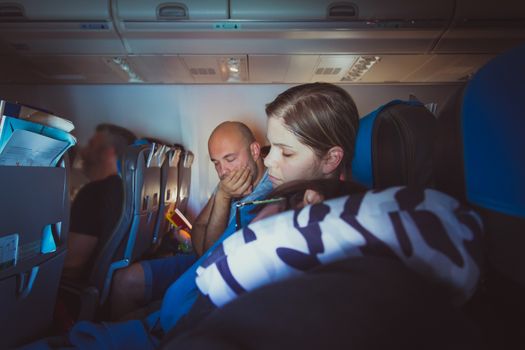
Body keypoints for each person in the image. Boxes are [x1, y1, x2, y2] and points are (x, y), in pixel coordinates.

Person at [21, 83, 361, 349]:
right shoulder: (278, 192)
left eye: (285, 151)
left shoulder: (301, 211)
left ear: (331, 159)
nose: (272, 160)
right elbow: (204, 248)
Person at [110, 121, 273, 319]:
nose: (223, 172)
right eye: (216, 163)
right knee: (123, 279)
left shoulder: (268, 193)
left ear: (255, 151)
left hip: (215, 272)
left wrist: (222, 197)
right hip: (198, 260)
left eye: (230, 159)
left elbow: (210, 254)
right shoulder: (230, 181)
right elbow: (199, 228)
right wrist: (221, 196)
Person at [63, 123, 136, 279]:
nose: (83, 151)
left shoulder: (93, 194)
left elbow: (71, 265)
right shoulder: (125, 189)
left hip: (78, 287)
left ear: (108, 153)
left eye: (91, 145)